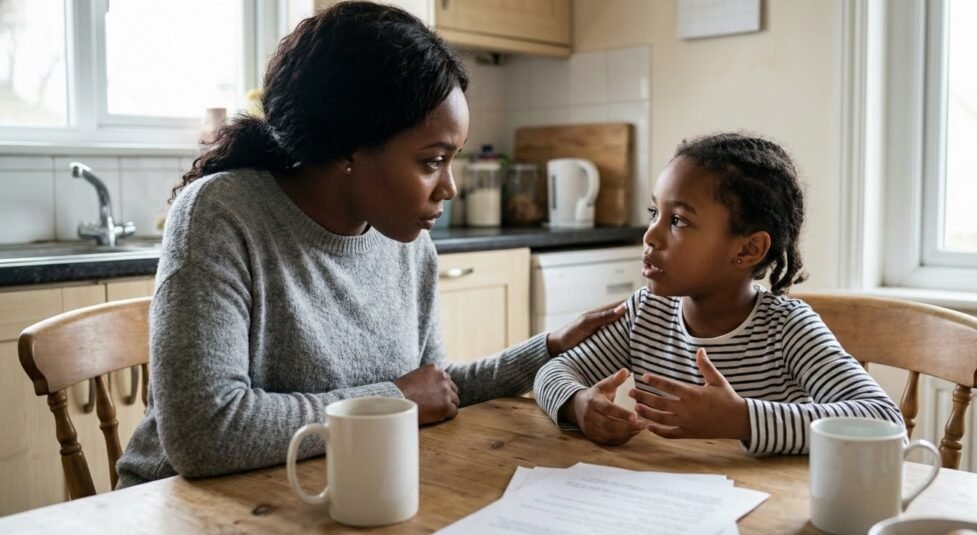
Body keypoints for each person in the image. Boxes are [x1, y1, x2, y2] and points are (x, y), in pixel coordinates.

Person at [116, 2, 623, 487]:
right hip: (180, 507)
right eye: (431, 161)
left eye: (453, 160)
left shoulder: (405, 238)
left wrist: (549, 348)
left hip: (326, 486)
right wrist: (394, 399)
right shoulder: (223, 213)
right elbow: (206, 435)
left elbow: (432, 388)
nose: (449, 187)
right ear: (347, 148)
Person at [533, 133, 903, 454]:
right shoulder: (647, 314)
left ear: (747, 250)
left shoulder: (787, 330)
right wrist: (578, 404)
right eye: (654, 213)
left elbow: (884, 421)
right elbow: (553, 371)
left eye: (677, 220)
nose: (650, 236)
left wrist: (741, 418)